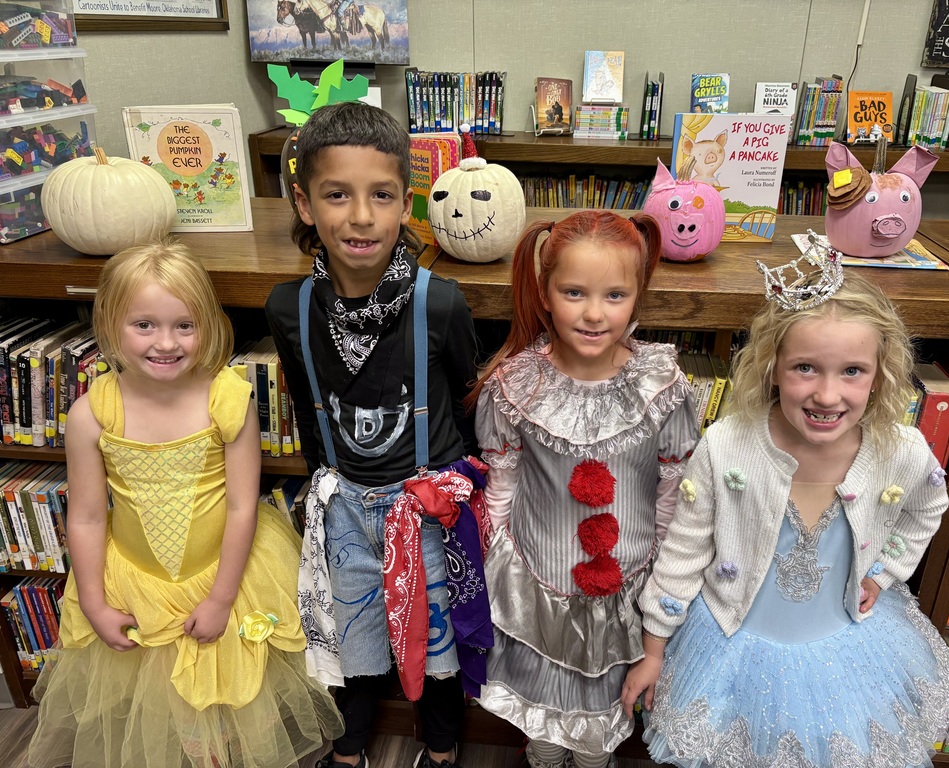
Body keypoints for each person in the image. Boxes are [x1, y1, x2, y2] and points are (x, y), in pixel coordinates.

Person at [621, 241, 949, 767]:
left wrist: (885, 571)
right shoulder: (727, 445)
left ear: (881, 372)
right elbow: (683, 551)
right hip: (732, 645)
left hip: (844, 647)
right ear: (772, 366)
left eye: (852, 371)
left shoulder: (902, 450)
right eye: (806, 367)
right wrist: (654, 649)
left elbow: (927, 509)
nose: (828, 395)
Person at [27, 241, 343, 768]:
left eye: (184, 326)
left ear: (207, 325)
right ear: (109, 323)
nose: (166, 343)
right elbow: (84, 516)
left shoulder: (228, 399)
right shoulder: (91, 415)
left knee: (231, 704)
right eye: (144, 325)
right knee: (165, 715)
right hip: (135, 584)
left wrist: (220, 600)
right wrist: (94, 604)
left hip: (226, 577)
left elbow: (244, 505)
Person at [265, 101, 488, 768]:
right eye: (337, 195)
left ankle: (443, 746)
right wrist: (319, 489)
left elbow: (463, 393)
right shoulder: (288, 308)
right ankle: (350, 743)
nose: (360, 216)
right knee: (353, 634)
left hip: (424, 506)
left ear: (405, 205)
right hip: (343, 508)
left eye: (380, 196)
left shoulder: (439, 302)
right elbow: (308, 408)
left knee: (435, 641)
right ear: (305, 204)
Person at [468, 210, 701, 768]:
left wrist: (660, 583)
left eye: (615, 295)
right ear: (545, 293)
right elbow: (504, 485)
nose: (595, 314)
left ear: (637, 296)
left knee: (600, 741)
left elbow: (672, 489)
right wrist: (495, 567)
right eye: (574, 292)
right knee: (546, 741)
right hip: (538, 588)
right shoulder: (517, 385)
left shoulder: (662, 386)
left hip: (627, 593)